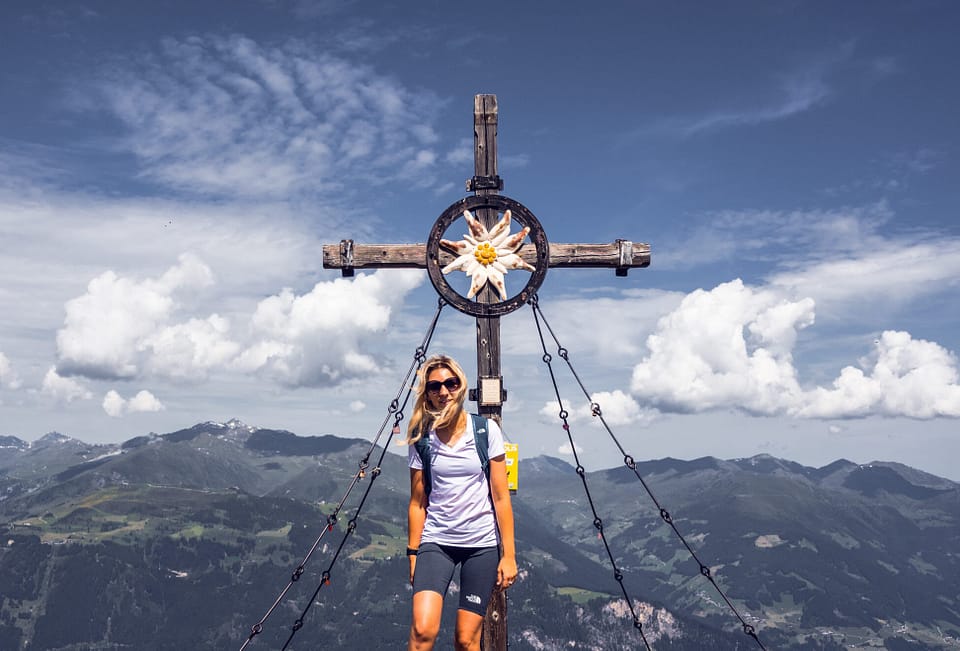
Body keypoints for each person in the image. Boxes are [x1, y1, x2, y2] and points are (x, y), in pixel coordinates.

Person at [404, 354, 517, 651]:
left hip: (481, 544)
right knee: (422, 632)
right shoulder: (421, 438)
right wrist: (413, 553)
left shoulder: (485, 431)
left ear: (461, 386)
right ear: (427, 393)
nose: (444, 392)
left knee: (466, 641)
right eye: (435, 386)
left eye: (450, 383)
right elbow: (418, 502)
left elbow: (501, 497)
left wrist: (509, 556)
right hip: (436, 542)